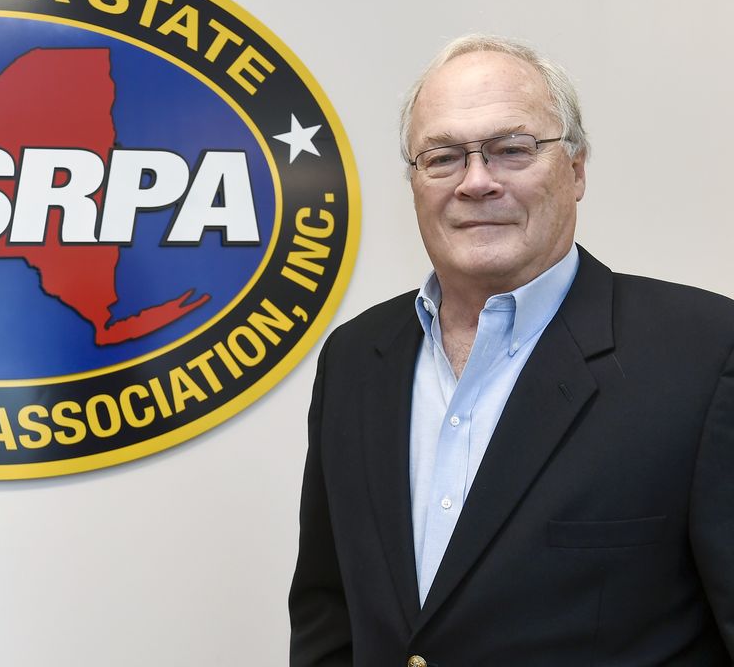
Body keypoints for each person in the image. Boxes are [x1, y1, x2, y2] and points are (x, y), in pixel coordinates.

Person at [288, 34, 734, 666]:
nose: (476, 182)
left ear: (576, 170)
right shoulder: (356, 359)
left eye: (510, 150)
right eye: (442, 157)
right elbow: (327, 613)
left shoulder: (707, 355)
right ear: (414, 183)